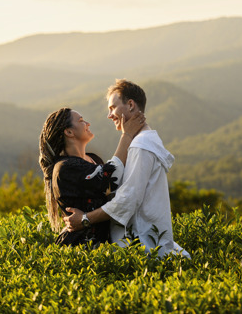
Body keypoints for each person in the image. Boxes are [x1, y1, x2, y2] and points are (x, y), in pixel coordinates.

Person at [64, 79, 190, 258]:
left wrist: (85, 219)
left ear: (130, 105)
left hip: (143, 248)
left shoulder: (141, 145)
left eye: (112, 108)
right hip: (145, 243)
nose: (109, 115)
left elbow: (128, 199)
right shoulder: (142, 142)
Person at [39, 107, 145, 247]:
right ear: (69, 132)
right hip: (78, 247)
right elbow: (112, 177)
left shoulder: (93, 159)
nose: (87, 123)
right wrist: (127, 135)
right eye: (81, 120)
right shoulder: (65, 168)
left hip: (102, 245)